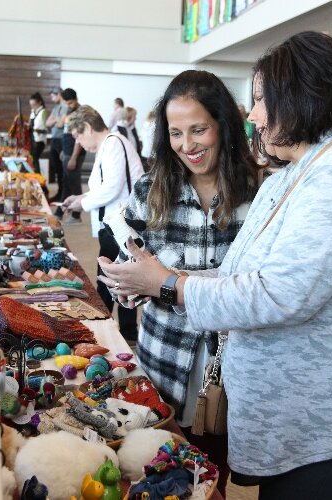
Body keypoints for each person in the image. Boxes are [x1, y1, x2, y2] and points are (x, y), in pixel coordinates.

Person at [98, 32, 332, 499]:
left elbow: (280, 293)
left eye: (261, 100)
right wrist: (151, 281)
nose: (254, 116)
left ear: (299, 97)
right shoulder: (299, 170)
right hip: (305, 423)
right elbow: (239, 274)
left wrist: (167, 285)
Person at [112, 69, 259, 496]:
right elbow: (132, 266)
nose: (187, 146)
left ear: (223, 126)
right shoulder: (150, 190)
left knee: (211, 482)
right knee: (158, 473)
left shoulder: (259, 193)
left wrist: (163, 281)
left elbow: (253, 288)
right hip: (164, 359)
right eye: (176, 133)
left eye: (199, 130)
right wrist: (125, 281)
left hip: (233, 368)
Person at [62, 105, 145, 340]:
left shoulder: (113, 143)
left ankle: (103, 331)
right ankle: (124, 331)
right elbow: (102, 186)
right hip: (115, 225)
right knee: (119, 279)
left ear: (87, 127)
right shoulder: (109, 145)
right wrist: (80, 198)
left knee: (111, 280)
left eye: (78, 135)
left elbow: (111, 188)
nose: (79, 142)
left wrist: (82, 204)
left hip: (121, 226)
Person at [55, 88, 84, 223]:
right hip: (66, 150)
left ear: (76, 99)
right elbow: (66, 131)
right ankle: (60, 212)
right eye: (67, 103)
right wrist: (63, 151)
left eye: (71, 103)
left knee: (73, 183)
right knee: (66, 182)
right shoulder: (68, 111)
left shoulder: (80, 113)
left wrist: (73, 157)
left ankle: (76, 215)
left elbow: (79, 138)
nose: (69, 106)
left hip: (74, 153)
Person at [45, 88, 67, 200]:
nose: (52, 98)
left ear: (59, 94)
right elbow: (47, 123)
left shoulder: (65, 107)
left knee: (62, 169)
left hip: (61, 140)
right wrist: (55, 120)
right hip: (54, 139)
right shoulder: (56, 108)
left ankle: (63, 194)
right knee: (57, 167)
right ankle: (59, 192)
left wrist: (55, 121)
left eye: (53, 96)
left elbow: (60, 124)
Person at [28, 92, 49, 170]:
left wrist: (36, 130)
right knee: (33, 159)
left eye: (34, 105)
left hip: (40, 140)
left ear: (39, 102)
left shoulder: (43, 112)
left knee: (35, 159)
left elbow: (46, 128)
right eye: (31, 105)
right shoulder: (33, 112)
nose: (32, 107)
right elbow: (30, 123)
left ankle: (38, 178)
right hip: (32, 139)